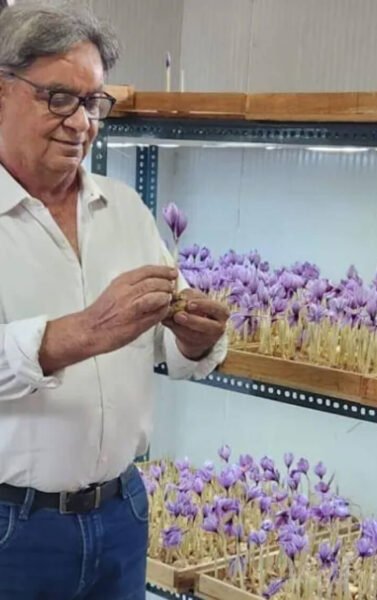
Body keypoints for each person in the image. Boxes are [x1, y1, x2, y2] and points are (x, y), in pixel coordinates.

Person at [0, 3, 229, 599]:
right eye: (59, 98)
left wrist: (195, 338)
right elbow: (95, 331)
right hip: (12, 528)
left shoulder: (124, 208)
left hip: (121, 511)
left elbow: (170, 343)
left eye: (94, 103)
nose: (81, 123)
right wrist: (83, 331)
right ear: (1, 91)